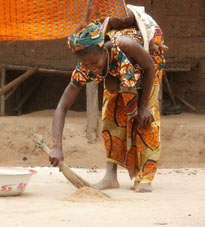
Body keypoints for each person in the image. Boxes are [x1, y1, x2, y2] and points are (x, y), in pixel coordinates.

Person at [50, 21, 165, 192]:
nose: (91, 69)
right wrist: (56, 146)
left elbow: (148, 67)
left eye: (94, 63)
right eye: (86, 64)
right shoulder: (86, 68)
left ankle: (146, 177)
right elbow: (62, 106)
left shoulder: (126, 45)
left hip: (147, 68)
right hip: (117, 72)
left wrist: (143, 105)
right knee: (110, 117)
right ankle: (111, 176)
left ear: (104, 50)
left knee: (146, 119)